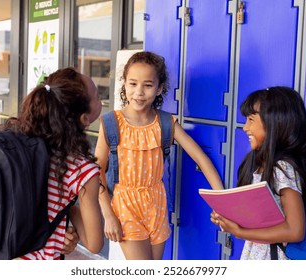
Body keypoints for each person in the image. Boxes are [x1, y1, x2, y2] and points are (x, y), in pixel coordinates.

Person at [95, 51, 224, 260]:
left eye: (147, 85)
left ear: (159, 88)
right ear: (124, 84)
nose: (139, 92)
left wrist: (222, 201)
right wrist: (108, 214)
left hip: (157, 203)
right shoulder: (111, 123)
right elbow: (96, 172)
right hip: (124, 203)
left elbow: (200, 158)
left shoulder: (165, 123)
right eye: (133, 84)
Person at [3, 67, 104, 259]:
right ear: (84, 118)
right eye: (98, 96)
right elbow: (94, 243)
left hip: (7, 252)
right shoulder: (81, 169)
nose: (101, 101)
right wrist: (69, 209)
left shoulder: (18, 145)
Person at [211, 86, 306, 260]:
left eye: (251, 120)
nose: (245, 127)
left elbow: (295, 230)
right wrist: (228, 218)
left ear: (275, 123)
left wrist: (240, 232)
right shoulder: (258, 162)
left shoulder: (283, 169)